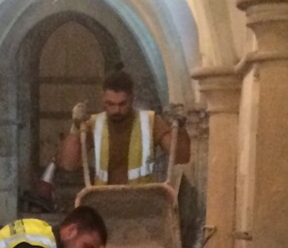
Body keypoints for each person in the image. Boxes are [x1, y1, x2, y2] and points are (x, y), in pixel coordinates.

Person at [58, 68, 190, 186]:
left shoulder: (150, 122)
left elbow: (181, 157)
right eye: (110, 104)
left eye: (122, 104)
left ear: (132, 98)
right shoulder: (94, 124)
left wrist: (180, 128)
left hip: (143, 199)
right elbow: (69, 164)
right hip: (104, 199)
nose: (117, 110)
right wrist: (75, 127)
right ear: (103, 98)